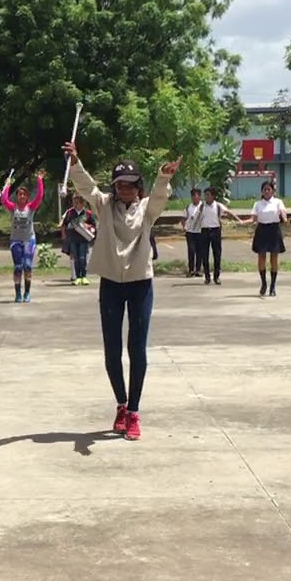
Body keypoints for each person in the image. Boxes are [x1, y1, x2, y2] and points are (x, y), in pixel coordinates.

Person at [64, 142, 179, 442]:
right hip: (111, 285)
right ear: (115, 188)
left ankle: (135, 413)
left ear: (138, 186)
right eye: (120, 185)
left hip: (141, 284)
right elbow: (87, 187)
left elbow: (158, 197)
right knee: (112, 350)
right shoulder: (104, 207)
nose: (126, 190)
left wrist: (163, 177)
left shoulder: (146, 210)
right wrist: (76, 161)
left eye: (131, 185)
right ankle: (121, 404)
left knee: (136, 348)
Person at [0, 171, 46, 302]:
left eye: (24, 195)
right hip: (15, 241)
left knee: (27, 266)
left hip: (29, 240)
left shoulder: (31, 207)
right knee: (18, 267)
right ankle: (18, 294)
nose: (21, 196)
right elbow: (4, 199)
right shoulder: (13, 207)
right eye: (19, 194)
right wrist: (7, 185)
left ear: (27, 197)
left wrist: (39, 180)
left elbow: (40, 196)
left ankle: (27, 293)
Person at [242, 181, 289, 297]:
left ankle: (273, 287)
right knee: (261, 257)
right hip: (262, 230)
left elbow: (283, 213)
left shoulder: (278, 202)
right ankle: (263, 284)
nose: (267, 191)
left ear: (273, 191)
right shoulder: (257, 204)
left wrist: (285, 219)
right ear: (262, 192)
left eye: (269, 189)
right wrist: (244, 222)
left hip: (274, 230)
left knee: (274, 258)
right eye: (265, 189)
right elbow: (253, 218)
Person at [198, 187, 238, 285]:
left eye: (208, 195)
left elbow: (229, 212)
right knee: (204, 255)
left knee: (217, 254)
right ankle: (207, 277)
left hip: (215, 230)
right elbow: (196, 217)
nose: (206, 197)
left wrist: (238, 219)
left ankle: (216, 276)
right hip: (204, 231)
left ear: (213, 196)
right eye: (205, 195)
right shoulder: (202, 206)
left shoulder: (218, 206)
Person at [61, 194, 97, 285]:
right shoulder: (70, 213)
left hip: (84, 238)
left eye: (78, 202)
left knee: (83, 258)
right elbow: (64, 224)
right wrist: (64, 234)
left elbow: (93, 225)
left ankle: (84, 276)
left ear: (82, 202)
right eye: (74, 201)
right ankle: (77, 277)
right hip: (73, 238)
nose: (76, 204)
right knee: (76, 258)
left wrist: (88, 226)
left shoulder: (87, 213)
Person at [182, 187, 207, 277]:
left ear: (199, 197)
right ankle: (191, 269)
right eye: (192, 196)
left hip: (200, 232)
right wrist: (184, 226)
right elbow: (184, 218)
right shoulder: (188, 207)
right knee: (191, 251)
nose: (194, 198)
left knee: (199, 251)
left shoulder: (203, 207)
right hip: (190, 232)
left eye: (196, 196)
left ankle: (198, 270)